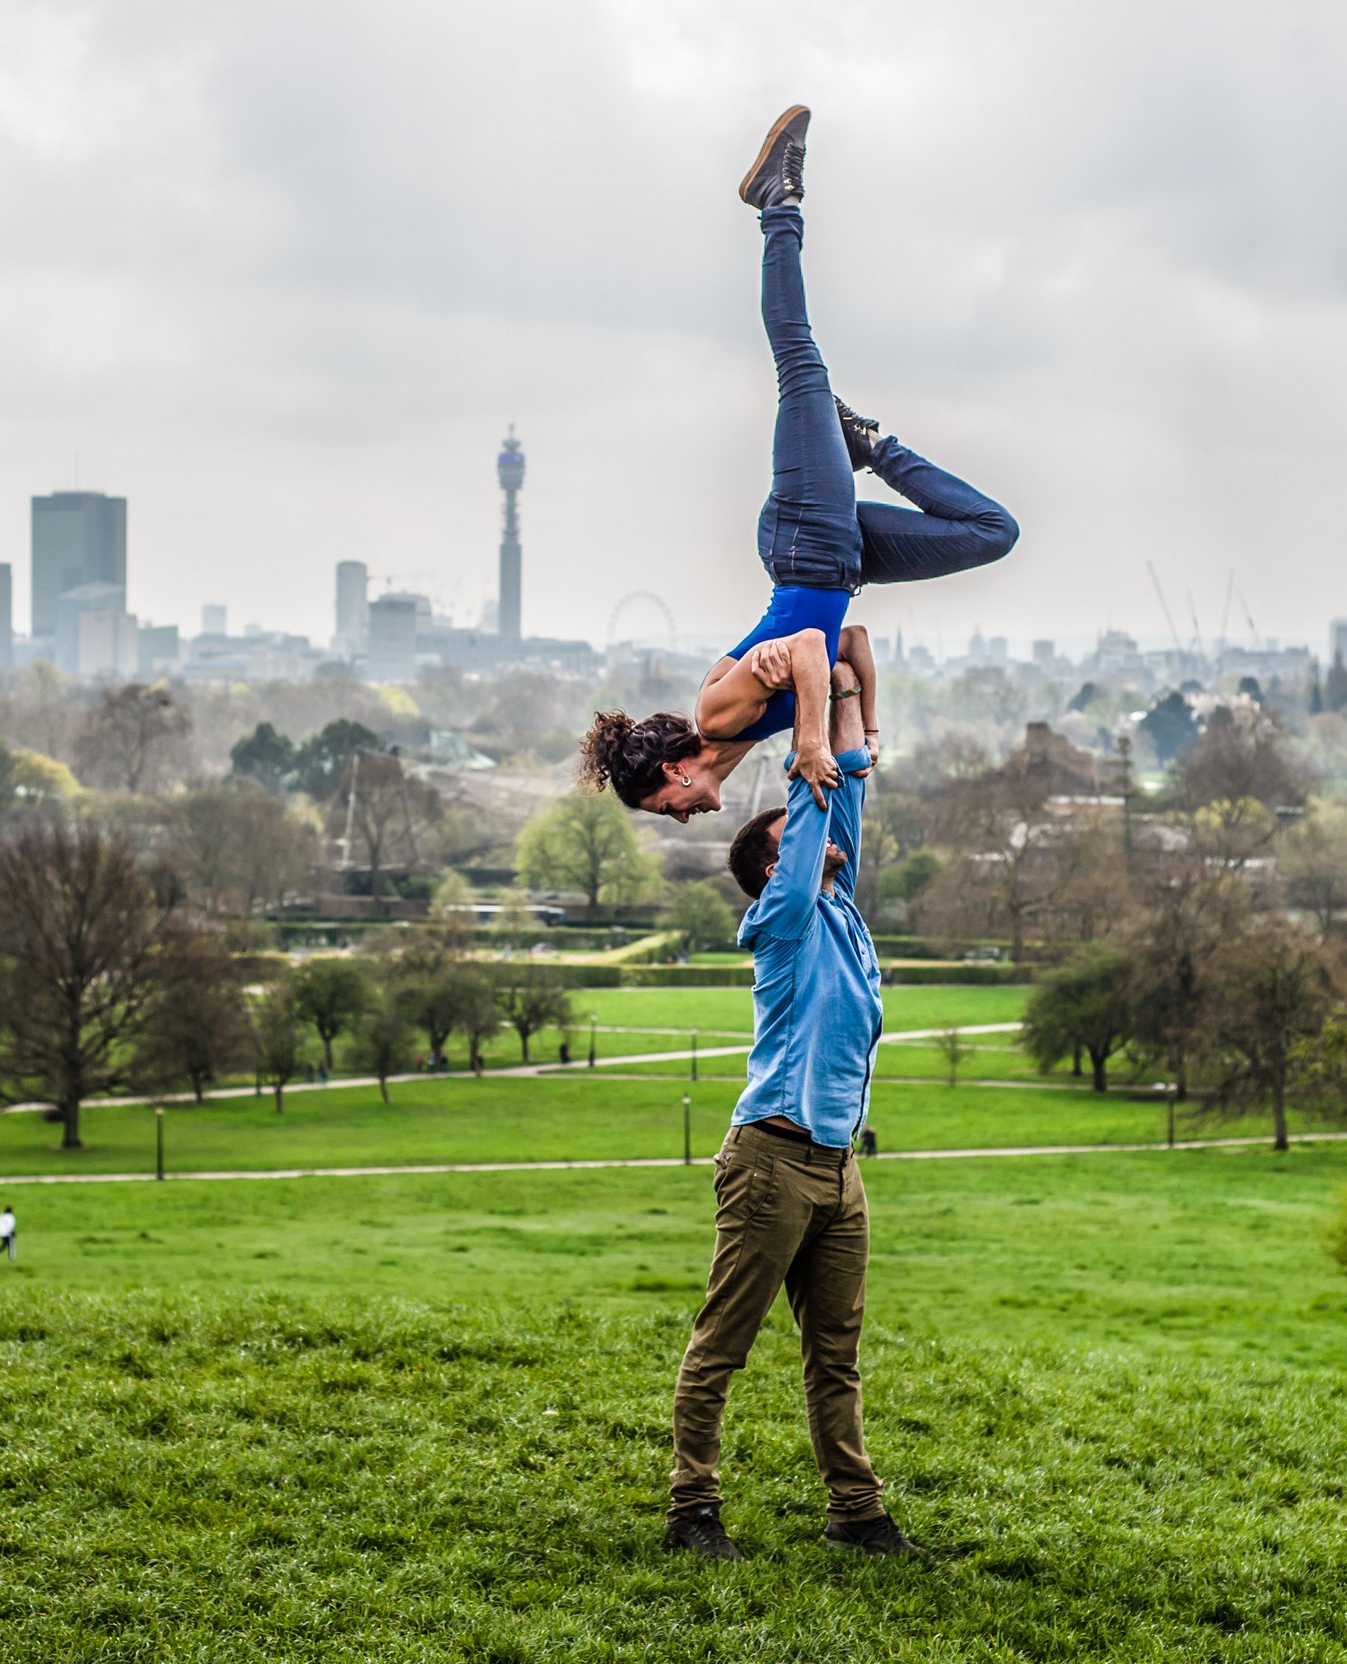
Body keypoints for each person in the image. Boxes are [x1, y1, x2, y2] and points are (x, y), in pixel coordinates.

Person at [581, 106, 1018, 824]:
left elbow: (810, 647)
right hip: (838, 561)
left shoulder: (718, 715)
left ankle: (775, 205)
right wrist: (867, 732)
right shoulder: (740, 732)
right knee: (992, 533)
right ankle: (868, 447)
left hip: (807, 539)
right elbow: (850, 645)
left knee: (798, 356)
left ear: (673, 771)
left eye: (667, 806)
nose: (683, 815)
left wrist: (812, 740)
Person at [664, 651, 915, 1561]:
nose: (822, 834)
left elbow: (840, 788)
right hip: (769, 1163)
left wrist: (845, 689)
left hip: (838, 1170)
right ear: (776, 865)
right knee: (722, 1345)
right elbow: (812, 815)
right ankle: (692, 1510)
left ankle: (857, 1514)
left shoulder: (837, 903)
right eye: (799, 835)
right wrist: (804, 727)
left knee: (835, 1356)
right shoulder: (783, 917)